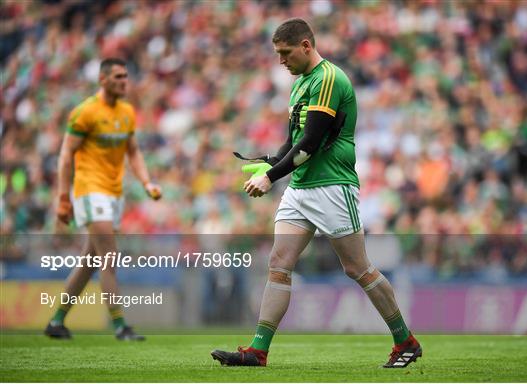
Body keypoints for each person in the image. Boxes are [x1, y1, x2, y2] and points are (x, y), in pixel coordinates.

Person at [211, 19, 422, 368]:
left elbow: (310, 144)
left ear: (306, 45)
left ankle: (406, 341)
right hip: (301, 187)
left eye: (286, 52)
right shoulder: (300, 84)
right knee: (279, 264)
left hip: (332, 186)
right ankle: (258, 351)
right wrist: (270, 164)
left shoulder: (327, 79)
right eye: (277, 53)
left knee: (358, 268)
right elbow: (293, 141)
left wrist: (270, 178)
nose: (281, 60)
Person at [44, 58, 162, 341]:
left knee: (91, 260)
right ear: (103, 80)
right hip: (89, 190)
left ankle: (56, 321)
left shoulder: (126, 112)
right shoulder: (85, 112)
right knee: (110, 256)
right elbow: (65, 156)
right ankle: (120, 326)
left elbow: (132, 151)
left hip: (113, 193)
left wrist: (146, 182)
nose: (124, 81)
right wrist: (63, 198)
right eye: (119, 77)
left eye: (126, 76)